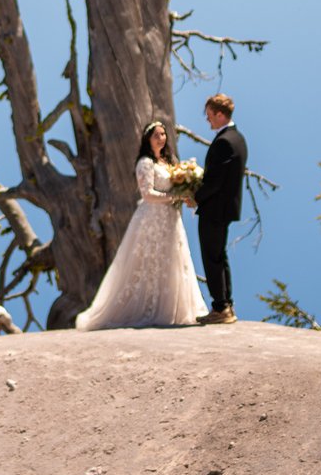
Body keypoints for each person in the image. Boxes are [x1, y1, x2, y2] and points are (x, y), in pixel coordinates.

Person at [74, 120, 205, 331]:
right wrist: (174, 197)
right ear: (147, 140)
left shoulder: (169, 163)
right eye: (156, 135)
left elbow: (178, 186)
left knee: (172, 259)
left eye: (163, 134)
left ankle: (172, 308)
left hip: (171, 220)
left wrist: (187, 194)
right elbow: (148, 194)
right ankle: (143, 307)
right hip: (152, 219)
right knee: (148, 260)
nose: (161, 138)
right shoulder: (145, 163)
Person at [193, 94, 246, 323]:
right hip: (224, 208)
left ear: (220, 114)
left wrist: (195, 197)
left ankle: (220, 307)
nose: (208, 121)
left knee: (211, 256)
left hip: (215, 208)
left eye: (209, 116)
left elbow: (215, 180)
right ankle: (226, 305)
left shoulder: (225, 141)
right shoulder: (239, 139)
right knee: (219, 256)